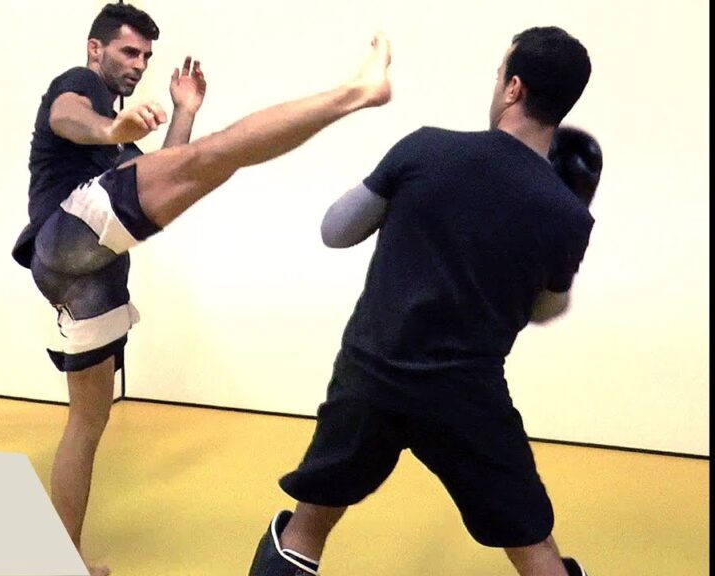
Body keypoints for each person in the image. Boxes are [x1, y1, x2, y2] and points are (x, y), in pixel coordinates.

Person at [10, 3, 393, 573]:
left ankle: (61, 559)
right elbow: (68, 115)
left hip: (88, 277)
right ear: (96, 49)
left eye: (146, 56)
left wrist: (184, 111)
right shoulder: (80, 85)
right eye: (128, 51)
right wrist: (110, 128)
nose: (138, 64)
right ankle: (356, 93)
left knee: (87, 423)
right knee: (221, 154)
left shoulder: (118, 140)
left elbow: (169, 170)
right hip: (66, 233)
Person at [248, 27, 598, 576]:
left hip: (371, 375)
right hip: (467, 395)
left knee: (308, 523)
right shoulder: (568, 214)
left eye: (500, 75)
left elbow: (335, 231)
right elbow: (543, 312)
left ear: (514, 88)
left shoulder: (426, 148)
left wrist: (407, 202)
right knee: (534, 544)